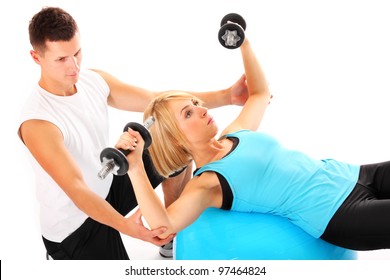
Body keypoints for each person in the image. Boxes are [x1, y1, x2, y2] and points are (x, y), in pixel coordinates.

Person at [119, 33, 390, 252]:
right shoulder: (207, 184)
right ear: (175, 139)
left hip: (354, 174)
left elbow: (259, 94)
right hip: (341, 214)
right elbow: (164, 224)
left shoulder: (234, 133)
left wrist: (243, 43)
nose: (202, 110)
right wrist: (135, 167)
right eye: (188, 113)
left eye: (195, 103)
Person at [17, 7, 248, 260]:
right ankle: (60, 259)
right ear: (36, 57)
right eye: (61, 59)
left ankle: (173, 231)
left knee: (176, 138)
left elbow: (157, 102)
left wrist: (228, 96)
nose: (74, 67)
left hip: (106, 190)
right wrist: (132, 230)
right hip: (74, 228)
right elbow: (77, 190)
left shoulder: (92, 81)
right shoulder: (38, 122)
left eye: (77, 53)